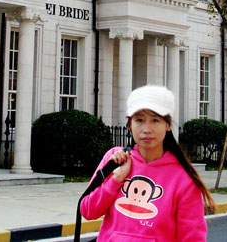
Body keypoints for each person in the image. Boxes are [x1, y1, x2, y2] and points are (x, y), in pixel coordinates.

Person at [81, 85, 215, 241]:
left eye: (155, 120)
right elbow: (88, 211)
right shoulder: (115, 159)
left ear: (168, 125)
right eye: (139, 120)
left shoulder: (183, 178)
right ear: (130, 125)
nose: (147, 129)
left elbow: (192, 237)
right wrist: (115, 180)